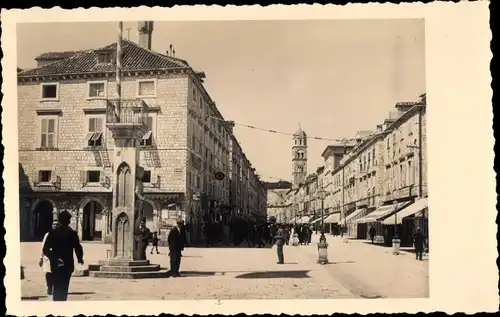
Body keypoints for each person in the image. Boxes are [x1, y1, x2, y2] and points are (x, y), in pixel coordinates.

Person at [43, 210, 84, 301]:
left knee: (57, 286)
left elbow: (45, 249)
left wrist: (54, 258)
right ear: (69, 221)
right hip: (68, 264)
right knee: (64, 287)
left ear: (59, 221)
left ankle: (57, 304)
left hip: (56, 265)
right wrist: (80, 258)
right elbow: (78, 248)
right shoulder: (72, 234)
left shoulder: (53, 233)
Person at [39, 220, 59, 295]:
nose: (55, 226)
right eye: (54, 224)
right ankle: (49, 286)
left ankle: (54, 287)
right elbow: (43, 246)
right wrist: (41, 258)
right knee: (48, 273)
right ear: (51, 225)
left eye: (57, 224)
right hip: (47, 257)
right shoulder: (47, 235)